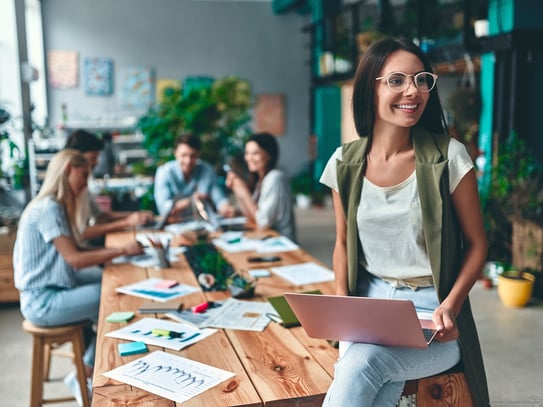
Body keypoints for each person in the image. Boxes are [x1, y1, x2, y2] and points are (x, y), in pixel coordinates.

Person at [319, 37, 489, 406]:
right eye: (396, 80)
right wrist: (340, 302)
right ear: (370, 87)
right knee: (374, 385)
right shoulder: (344, 163)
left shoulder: (448, 157)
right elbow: (343, 244)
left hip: (432, 311)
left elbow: (477, 244)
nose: (413, 90)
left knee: (362, 365)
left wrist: (451, 306)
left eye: (421, 79)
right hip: (368, 305)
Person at [13, 149, 143, 400]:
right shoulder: (48, 209)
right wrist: (122, 249)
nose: (86, 183)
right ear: (67, 171)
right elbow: (75, 259)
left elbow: (75, 248)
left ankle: (92, 364)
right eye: (83, 175)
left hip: (57, 284)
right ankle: (86, 372)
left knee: (111, 280)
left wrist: (116, 253)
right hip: (42, 300)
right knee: (108, 296)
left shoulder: (53, 205)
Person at [65, 129, 154, 242]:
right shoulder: (65, 192)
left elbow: (100, 216)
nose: (96, 163)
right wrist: (126, 223)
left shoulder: (83, 184)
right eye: (93, 158)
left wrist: (136, 216)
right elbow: (81, 233)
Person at [225, 132, 296, 241]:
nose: (249, 158)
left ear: (268, 155)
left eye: (255, 153)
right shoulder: (260, 181)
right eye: (247, 153)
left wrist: (244, 193)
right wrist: (237, 189)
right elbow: (250, 216)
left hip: (282, 245)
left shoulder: (275, 178)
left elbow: (262, 221)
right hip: (267, 241)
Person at [153, 133, 235, 219]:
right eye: (183, 155)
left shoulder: (207, 170)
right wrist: (192, 200)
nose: (188, 161)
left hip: (203, 224)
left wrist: (225, 207)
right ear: (175, 153)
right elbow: (164, 209)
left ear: (199, 154)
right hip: (175, 224)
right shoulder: (164, 172)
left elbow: (219, 199)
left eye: (193, 156)